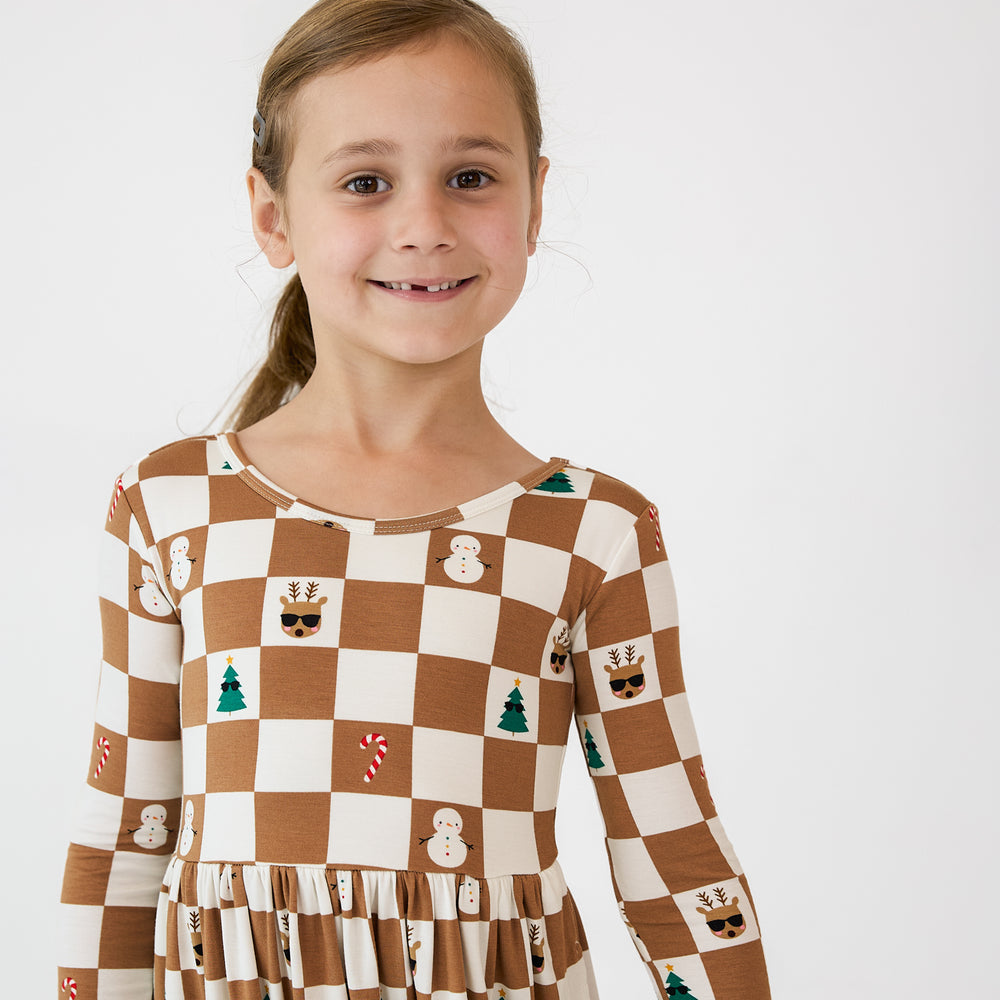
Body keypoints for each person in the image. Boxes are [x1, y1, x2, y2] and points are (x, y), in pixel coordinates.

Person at [57, 1, 771, 997]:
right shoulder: (170, 505)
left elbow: (675, 864)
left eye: (470, 177)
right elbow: (121, 844)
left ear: (533, 202)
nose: (423, 226)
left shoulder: (593, 535)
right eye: (364, 181)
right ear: (272, 216)